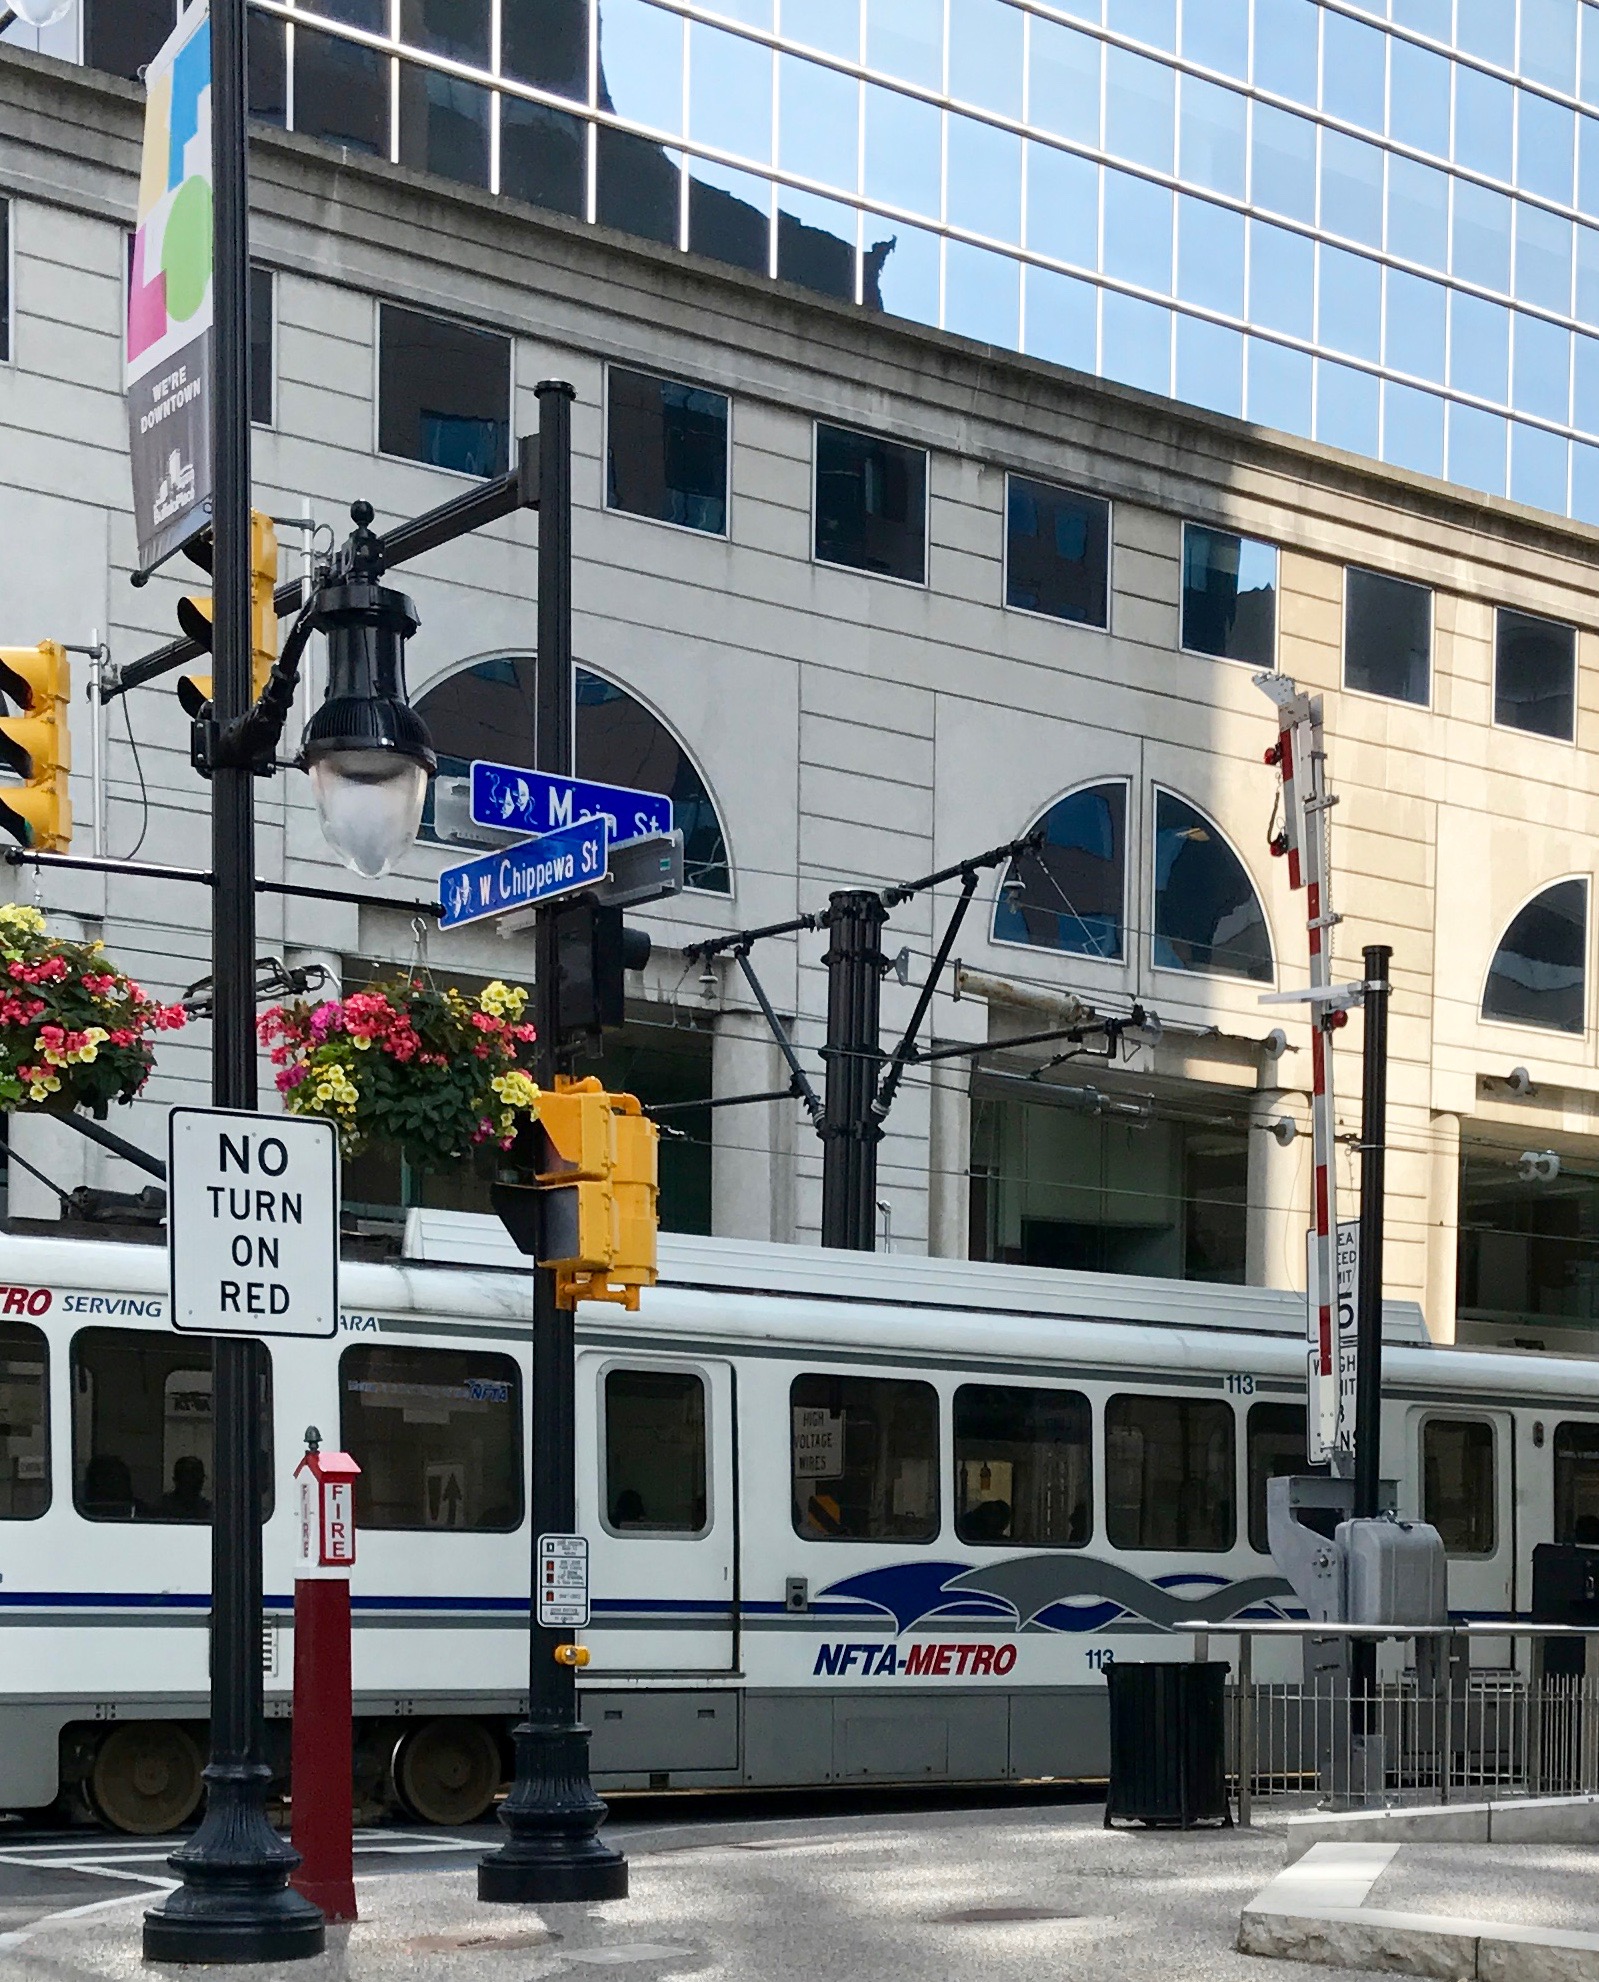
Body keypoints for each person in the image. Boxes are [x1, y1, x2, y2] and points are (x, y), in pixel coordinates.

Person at [160, 1454, 211, 1520]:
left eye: (197, 1480)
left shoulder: (208, 1510)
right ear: (177, 1480)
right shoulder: (162, 1508)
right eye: (188, 1481)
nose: (193, 1485)